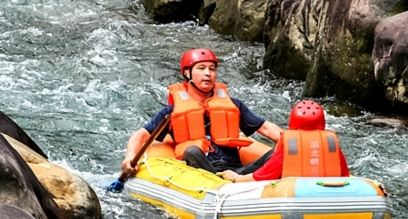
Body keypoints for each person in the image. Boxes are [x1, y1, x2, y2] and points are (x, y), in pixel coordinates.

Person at [121, 48, 282, 176]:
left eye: (212, 69)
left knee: (281, 150)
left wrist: (290, 142)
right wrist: (129, 157)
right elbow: (140, 135)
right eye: (201, 68)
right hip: (201, 172)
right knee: (192, 151)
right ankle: (219, 183)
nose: (208, 73)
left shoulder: (234, 105)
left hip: (236, 171)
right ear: (187, 73)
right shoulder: (172, 111)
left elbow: (266, 128)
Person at [219, 100, 350, 183]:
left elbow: (263, 175)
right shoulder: (330, 143)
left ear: (292, 122)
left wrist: (237, 178)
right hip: (326, 193)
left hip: (296, 194)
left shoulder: (290, 147)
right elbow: (345, 175)